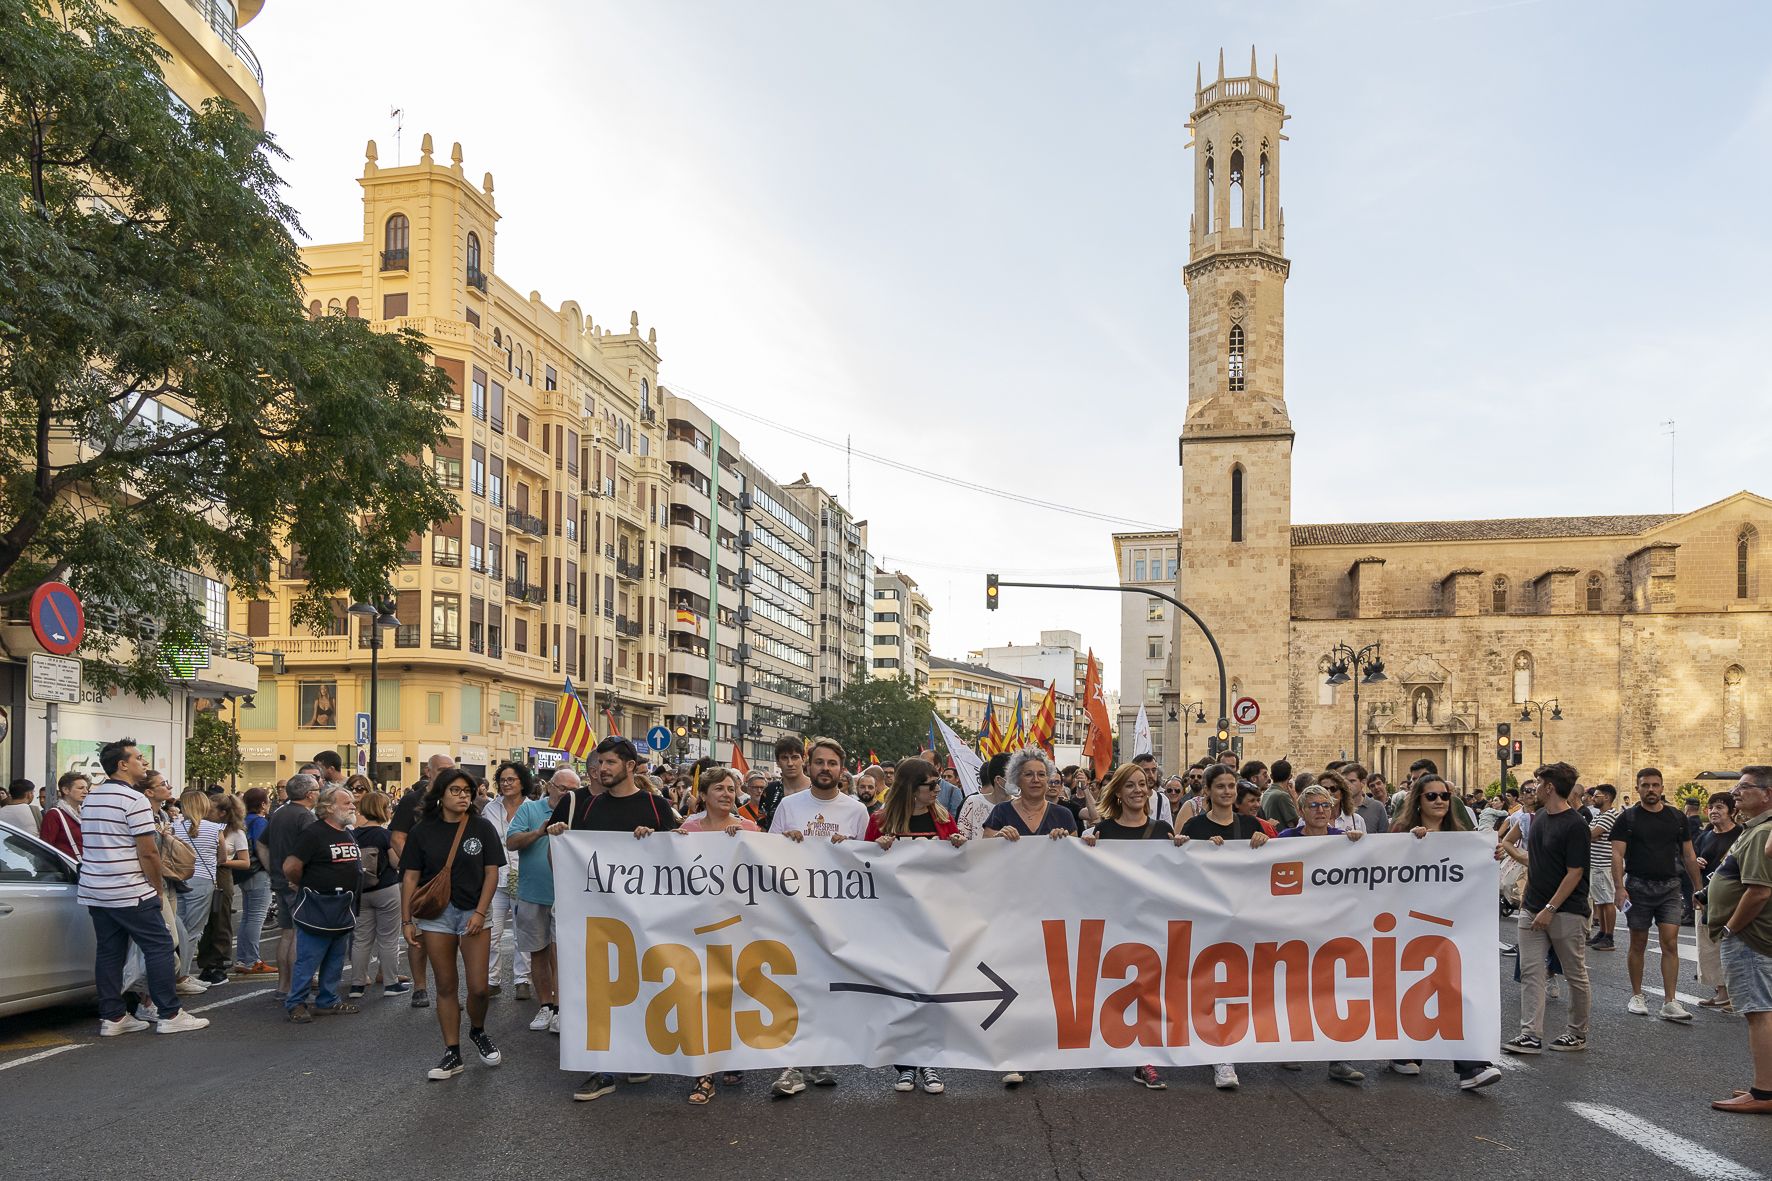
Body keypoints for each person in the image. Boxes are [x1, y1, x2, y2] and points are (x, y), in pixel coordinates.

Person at [763, 737, 867, 1101]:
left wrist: (850, 851)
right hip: (795, 910)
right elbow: (766, 855)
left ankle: (818, 1058)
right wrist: (786, 842)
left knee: (826, 987)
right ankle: (793, 1065)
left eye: (832, 763)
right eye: (819, 763)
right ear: (809, 766)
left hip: (837, 915)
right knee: (795, 986)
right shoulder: (790, 806)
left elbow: (869, 868)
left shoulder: (856, 811)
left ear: (842, 769)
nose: (825, 769)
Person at [80, 738, 207, 1036]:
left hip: (96, 888)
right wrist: (155, 887)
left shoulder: (93, 797)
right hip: (130, 888)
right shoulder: (133, 800)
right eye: (139, 758)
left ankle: (113, 1018)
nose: (144, 763)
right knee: (160, 945)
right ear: (123, 765)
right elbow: (148, 851)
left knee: (110, 951)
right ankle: (169, 1013)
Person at [1387, 774, 1499, 1089]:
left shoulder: (1462, 838)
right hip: (1410, 926)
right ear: (1417, 801)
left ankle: (1471, 1065)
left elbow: (1475, 874)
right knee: (1414, 988)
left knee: (1453, 988)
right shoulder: (1401, 832)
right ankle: (1404, 1051)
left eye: (1444, 796)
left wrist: (1493, 855)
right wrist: (1409, 845)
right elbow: (1380, 870)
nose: (1439, 801)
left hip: (1450, 928)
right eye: (1431, 796)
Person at [866, 758, 964, 1097]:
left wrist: (959, 845)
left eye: (939, 784)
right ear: (911, 788)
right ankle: (905, 1064)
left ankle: (928, 1060)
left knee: (930, 990)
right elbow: (860, 867)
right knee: (900, 994)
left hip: (933, 918)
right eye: (931, 785)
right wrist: (874, 849)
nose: (938, 790)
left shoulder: (943, 818)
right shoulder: (879, 821)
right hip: (893, 920)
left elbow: (959, 866)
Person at [401, 767, 506, 1080]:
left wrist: (479, 912)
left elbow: (492, 872)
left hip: (474, 911)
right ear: (441, 795)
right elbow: (410, 876)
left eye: (467, 791)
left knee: (479, 987)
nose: (463, 796)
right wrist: (407, 920)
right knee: (445, 985)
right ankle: (452, 1051)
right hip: (436, 916)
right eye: (456, 791)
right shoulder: (423, 830)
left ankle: (478, 1030)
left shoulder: (481, 827)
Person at [983, 748, 1075, 1089]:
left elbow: (1079, 861)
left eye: (1041, 774)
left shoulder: (1064, 815)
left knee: (1044, 980)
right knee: (1012, 980)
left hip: (1052, 909)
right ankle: (1012, 1053)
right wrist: (997, 838)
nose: (1036, 780)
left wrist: (1066, 843)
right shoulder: (1001, 812)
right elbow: (983, 855)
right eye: (1028, 774)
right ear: (1016, 779)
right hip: (1011, 909)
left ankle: (1039, 1045)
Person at [1502, 761, 1592, 1058]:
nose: (1534, 789)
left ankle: (1576, 1033)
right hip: (1532, 907)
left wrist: (1551, 908)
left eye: (1538, 784)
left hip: (1566, 911)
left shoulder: (1576, 824)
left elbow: (1575, 872)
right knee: (1531, 972)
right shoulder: (1539, 817)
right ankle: (1530, 1034)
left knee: (1574, 973)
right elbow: (1536, 859)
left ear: (1550, 787)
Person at [1276, 782, 1365, 1084]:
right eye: (1313, 805)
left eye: (1325, 805)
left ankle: (1338, 1058)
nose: (1320, 810)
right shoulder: (1286, 838)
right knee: (1296, 987)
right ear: (1301, 811)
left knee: (1334, 989)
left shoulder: (1344, 839)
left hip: (1333, 925)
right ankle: (1291, 1047)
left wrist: (1359, 843)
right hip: (1296, 924)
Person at [1611, 766, 1704, 1021]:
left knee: (1670, 942)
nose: (1650, 789)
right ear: (1638, 788)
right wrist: (1619, 888)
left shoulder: (1676, 818)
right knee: (1638, 943)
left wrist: (1698, 889)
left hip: (1670, 887)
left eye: (1655, 785)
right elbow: (1617, 854)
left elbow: (1688, 854)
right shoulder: (1627, 818)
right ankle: (1637, 995)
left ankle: (1670, 1001)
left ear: (1662, 788)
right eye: (1645, 785)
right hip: (1638, 887)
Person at [1706, 766, 1772, 1114]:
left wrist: (1731, 928)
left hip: (1751, 938)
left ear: (1767, 794)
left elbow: (1759, 891)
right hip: (1752, 937)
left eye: (1745, 787)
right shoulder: (1757, 829)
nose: (1736, 792)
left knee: (1758, 1012)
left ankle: (1763, 1093)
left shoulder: (1763, 833)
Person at [282, 784, 362, 1023]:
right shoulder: (314, 833)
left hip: (342, 906)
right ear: (329, 807)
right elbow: (290, 867)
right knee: (308, 959)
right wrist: (304, 884)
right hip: (318, 905)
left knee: (335, 959)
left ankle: (327, 1000)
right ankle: (296, 1003)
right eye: (346, 803)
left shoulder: (346, 831)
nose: (352, 806)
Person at [506, 767, 574, 1036]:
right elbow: (511, 842)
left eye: (572, 790)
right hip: (533, 892)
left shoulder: (578, 811)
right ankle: (545, 1004)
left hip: (568, 895)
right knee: (538, 952)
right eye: (562, 788)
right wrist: (538, 832)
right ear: (550, 787)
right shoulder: (530, 810)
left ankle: (560, 1008)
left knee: (561, 955)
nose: (566, 794)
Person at [390, 752, 454, 1008]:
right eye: (442, 769)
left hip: (451, 881)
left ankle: (446, 992)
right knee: (418, 935)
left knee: (448, 938)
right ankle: (420, 987)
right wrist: (416, 865)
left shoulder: (458, 797)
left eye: (451, 768)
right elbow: (396, 837)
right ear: (428, 772)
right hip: (419, 882)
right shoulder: (412, 801)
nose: (448, 773)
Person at [261, 773, 319, 1003]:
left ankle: (283, 987)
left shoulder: (279, 813)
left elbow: (261, 843)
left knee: (287, 934)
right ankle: (297, 990)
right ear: (309, 794)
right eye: (316, 788)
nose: (318, 792)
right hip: (298, 882)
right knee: (300, 936)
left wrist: (272, 868)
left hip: (280, 880)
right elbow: (312, 850)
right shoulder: (305, 817)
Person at [481, 761, 534, 1000]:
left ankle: (522, 979)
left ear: (522, 782)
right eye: (502, 780)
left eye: (511, 779)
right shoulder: (490, 809)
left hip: (525, 876)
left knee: (522, 932)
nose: (506, 783)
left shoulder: (534, 808)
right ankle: (492, 980)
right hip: (495, 877)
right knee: (491, 933)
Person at [348, 790, 408, 999]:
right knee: (388, 938)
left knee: (361, 939)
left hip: (361, 891)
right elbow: (395, 862)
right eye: (388, 807)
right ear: (381, 810)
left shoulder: (352, 835)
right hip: (386, 889)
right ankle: (391, 983)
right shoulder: (385, 835)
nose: (390, 810)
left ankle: (357, 985)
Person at [169, 789, 226, 990]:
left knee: (177, 928)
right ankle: (183, 975)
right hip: (203, 880)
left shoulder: (174, 827)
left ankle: (173, 972)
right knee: (193, 931)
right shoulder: (215, 828)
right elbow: (223, 858)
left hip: (180, 879)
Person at [1694, 792, 1743, 1010]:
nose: (1714, 811)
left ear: (1733, 811)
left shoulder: (1741, 834)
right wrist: (1696, 861)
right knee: (1709, 947)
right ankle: (1721, 992)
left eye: (1720, 807)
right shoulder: (1705, 835)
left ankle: (1736, 994)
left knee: (1732, 945)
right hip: (1707, 898)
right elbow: (1688, 859)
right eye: (1711, 807)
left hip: (1733, 898)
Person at [196, 793, 250, 985]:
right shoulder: (202, 827)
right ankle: (205, 963)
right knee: (202, 921)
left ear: (222, 813)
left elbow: (245, 862)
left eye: (210, 809)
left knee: (220, 920)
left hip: (222, 875)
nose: (205, 812)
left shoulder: (236, 833)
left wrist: (224, 861)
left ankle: (219, 964)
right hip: (202, 874)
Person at [233, 787, 275, 974]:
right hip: (259, 872)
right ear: (263, 804)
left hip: (245, 873)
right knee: (256, 918)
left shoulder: (243, 821)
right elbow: (262, 847)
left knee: (248, 917)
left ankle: (243, 958)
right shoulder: (259, 822)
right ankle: (252, 959)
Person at [1586, 784, 1623, 951]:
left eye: (1597, 796)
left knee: (1607, 900)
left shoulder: (1610, 815)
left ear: (1607, 798)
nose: (1593, 798)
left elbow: (1591, 834)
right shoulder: (1599, 815)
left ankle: (1609, 936)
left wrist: (1592, 834)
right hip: (1595, 864)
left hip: (1604, 864)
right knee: (1600, 900)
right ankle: (1602, 931)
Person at [756, 735, 811, 831]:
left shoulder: (816, 789)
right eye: (784, 758)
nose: (790, 763)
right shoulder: (770, 791)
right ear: (777, 762)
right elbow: (763, 829)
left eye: (795, 757)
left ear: (803, 758)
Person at [956, 752, 1012, 841]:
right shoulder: (973, 803)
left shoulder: (1021, 805)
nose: (1017, 779)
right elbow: (961, 837)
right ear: (998, 779)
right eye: (1012, 775)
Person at [40, 771, 88, 860]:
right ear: (65, 790)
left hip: (83, 867)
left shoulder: (84, 814)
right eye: (80, 788)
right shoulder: (54, 815)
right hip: (65, 869)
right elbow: (45, 847)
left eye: (86, 788)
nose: (86, 791)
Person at [1259, 760, 1299, 828]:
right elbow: (1297, 822)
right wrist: (1294, 798)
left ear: (1271, 776)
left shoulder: (1266, 793)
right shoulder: (1282, 796)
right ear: (1290, 776)